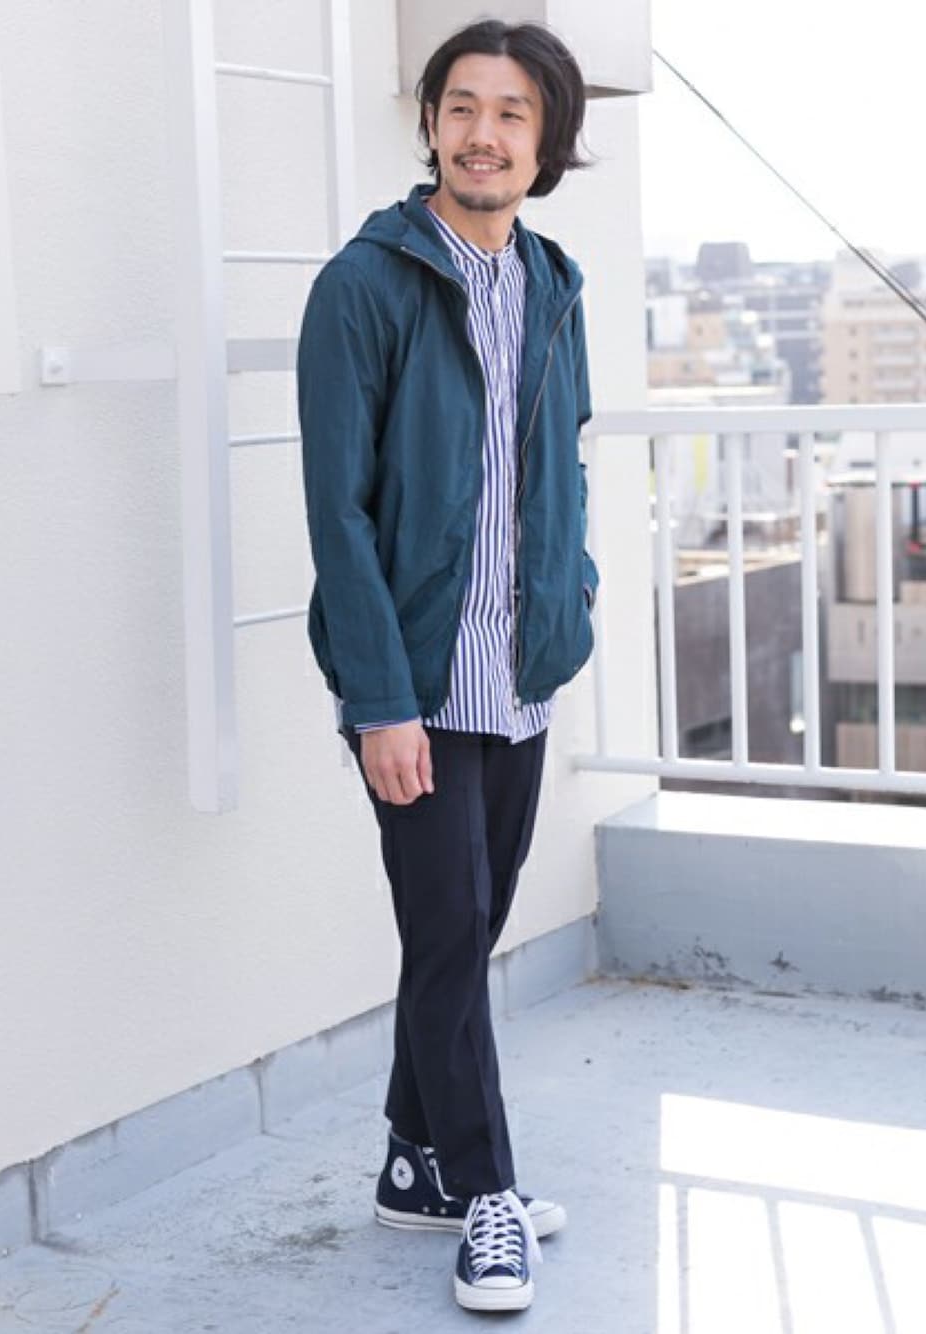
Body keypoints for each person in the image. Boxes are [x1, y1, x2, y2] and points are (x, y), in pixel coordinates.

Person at [296, 18, 597, 1314]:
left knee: (462, 935)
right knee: (445, 932)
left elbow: (561, 461)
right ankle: (486, 1198)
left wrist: (574, 592)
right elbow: (337, 513)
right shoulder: (362, 286)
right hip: (414, 683)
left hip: (518, 674)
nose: (484, 133)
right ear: (429, 125)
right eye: (462, 107)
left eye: (512, 112)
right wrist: (378, 701)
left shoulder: (553, 282)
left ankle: (415, 1164)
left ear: (546, 140)